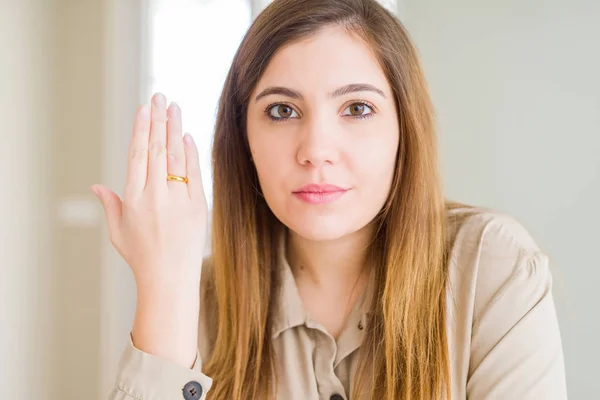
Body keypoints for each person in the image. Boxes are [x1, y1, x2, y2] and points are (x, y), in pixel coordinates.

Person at [91, 0, 567, 399]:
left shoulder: (492, 266)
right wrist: (166, 285)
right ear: (244, 139)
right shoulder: (201, 303)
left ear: (405, 130)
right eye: (282, 110)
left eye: (357, 108)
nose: (316, 150)